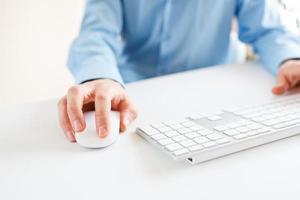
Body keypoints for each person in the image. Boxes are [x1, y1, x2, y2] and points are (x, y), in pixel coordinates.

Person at [58, 0, 300, 142]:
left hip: (219, 90)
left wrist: (290, 60)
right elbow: (96, 33)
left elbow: (268, 29)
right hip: (134, 92)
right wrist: (99, 77)